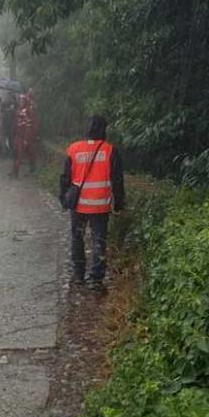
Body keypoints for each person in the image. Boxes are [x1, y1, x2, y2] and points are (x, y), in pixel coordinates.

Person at [59, 115, 125, 292]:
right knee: (99, 241)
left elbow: (65, 178)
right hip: (100, 206)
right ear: (104, 130)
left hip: (79, 206)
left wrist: (64, 200)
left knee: (77, 238)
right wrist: (118, 204)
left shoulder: (73, 149)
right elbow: (117, 180)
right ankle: (96, 279)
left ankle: (78, 275)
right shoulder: (110, 151)